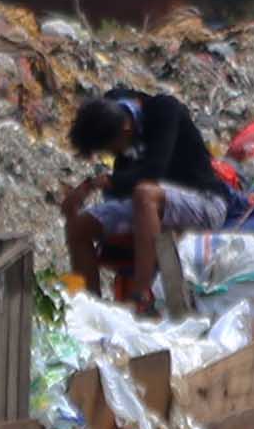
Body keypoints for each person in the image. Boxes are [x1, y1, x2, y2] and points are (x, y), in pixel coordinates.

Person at [60, 89, 235, 305]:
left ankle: (141, 293)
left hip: (203, 202)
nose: (115, 155)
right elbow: (122, 187)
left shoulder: (164, 111)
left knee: (145, 193)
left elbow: (154, 172)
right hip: (150, 206)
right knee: (79, 227)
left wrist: (107, 181)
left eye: (113, 149)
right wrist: (79, 198)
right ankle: (89, 305)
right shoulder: (114, 110)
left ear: (126, 128)